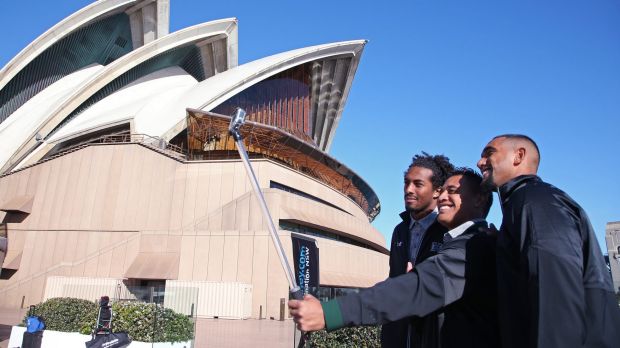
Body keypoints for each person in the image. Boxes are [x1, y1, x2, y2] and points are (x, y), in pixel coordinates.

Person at [289, 168, 499, 348]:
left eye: (452, 191)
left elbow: (413, 290)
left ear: (479, 199)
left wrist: (329, 313)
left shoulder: (474, 246)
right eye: (442, 190)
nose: (442, 197)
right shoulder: (460, 240)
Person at [477, 134, 620, 348]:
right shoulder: (527, 203)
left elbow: (554, 296)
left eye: (489, 153)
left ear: (519, 155)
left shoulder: (533, 202)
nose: (480, 162)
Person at [382, 152, 454, 347]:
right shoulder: (400, 230)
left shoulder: (450, 230)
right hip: (397, 334)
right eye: (406, 183)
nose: (408, 189)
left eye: (418, 184)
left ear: (438, 191)